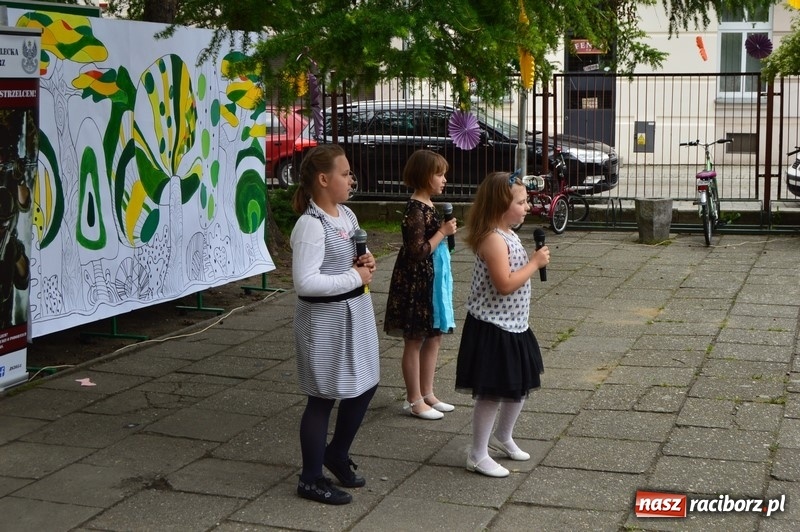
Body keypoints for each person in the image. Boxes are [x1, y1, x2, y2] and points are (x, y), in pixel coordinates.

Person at [290, 144, 380, 505]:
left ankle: (336, 453)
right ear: (324, 180)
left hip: (354, 313)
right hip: (324, 321)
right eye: (345, 174)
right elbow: (305, 283)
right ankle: (310, 478)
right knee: (323, 397)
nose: (351, 179)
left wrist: (366, 260)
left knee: (366, 384)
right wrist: (354, 277)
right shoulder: (310, 226)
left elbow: (354, 256)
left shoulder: (346, 214)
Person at [455, 171, 549, 478]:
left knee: (518, 383)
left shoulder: (507, 233)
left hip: (515, 324)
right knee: (491, 392)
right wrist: (534, 264)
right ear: (499, 205)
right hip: (493, 327)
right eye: (521, 202)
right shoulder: (493, 240)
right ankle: (477, 454)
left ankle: (503, 436)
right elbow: (504, 284)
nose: (527, 207)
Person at [384, 149, 457, 420]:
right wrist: (442, 232)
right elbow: (417, 251)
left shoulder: (428, 205)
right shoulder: (415, 209)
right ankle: (414, 399)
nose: (444, 179)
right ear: (425, 176)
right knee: (415, 339)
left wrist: (444, 233)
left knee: (434, 336)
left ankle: (428, 393)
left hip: (431, 280)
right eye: (439, 174)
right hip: (415, 282)